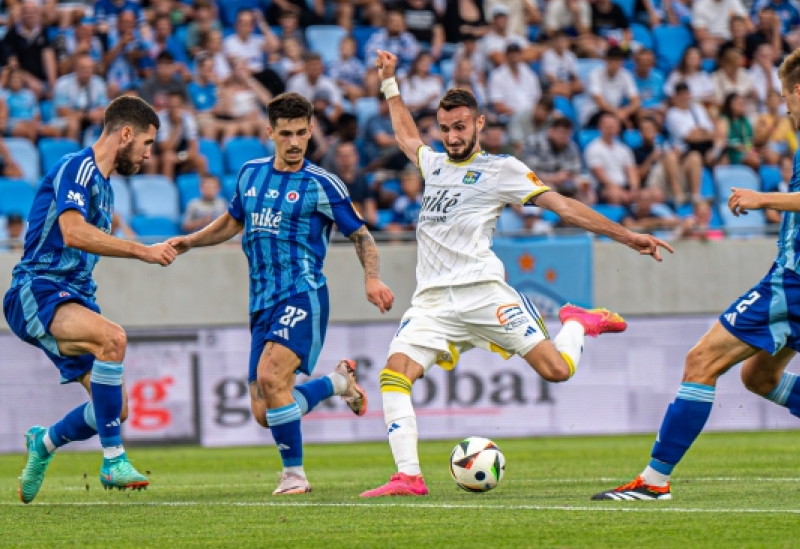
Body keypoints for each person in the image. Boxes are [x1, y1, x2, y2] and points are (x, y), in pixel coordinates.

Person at [361, 51, 672, 497]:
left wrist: (627, 236)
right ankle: (408, 476)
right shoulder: (433, 165)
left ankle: (576, 323)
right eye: (445, 128)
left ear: (480, 123)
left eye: (460, 127)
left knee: (557, 370)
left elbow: (563, 207)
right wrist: (390, 84)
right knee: (394, 374)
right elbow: (406, 135)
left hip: (485, 293)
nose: (451, 136)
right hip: (431, 302)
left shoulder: (500, 170)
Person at [593, 48, 800, 501]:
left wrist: (763, 199)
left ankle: (653, 481)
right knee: (757, 378)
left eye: (787, 100)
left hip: (792, 285)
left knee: (700, 361)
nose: (786, 109)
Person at [167, 93, 394, 495]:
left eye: (301, 134)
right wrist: (190, 241)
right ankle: (338, 384)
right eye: (285, 133)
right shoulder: (250, 175)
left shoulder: (322, 184)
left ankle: (294, 476)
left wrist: (371, 279)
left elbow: (362, 235)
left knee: (270, 377)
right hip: (261, 303)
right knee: (263, 409)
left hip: (302, 295)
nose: (293, 142)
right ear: (270, 132)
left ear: (310, 133)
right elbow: (232, 221)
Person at [4, 96, 177, 503]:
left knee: (115, 411)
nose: (149, 154)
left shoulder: (105, 187)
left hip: (73, 294)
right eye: (148, 143)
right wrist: (142, 250)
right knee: (113, 339)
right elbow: (72, 232)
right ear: (126, 133)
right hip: (38, 288)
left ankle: (43, 443)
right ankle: (113, 461)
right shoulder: (76, 168)